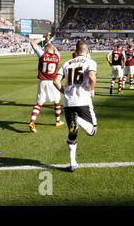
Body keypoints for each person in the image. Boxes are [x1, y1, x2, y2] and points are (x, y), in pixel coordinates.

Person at [54, 41, 98, 172]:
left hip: (69, 103)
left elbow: (55, 81)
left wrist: (64, 91)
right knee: (92, 131)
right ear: (87, 51)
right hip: (83, 101)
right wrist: (91, 90)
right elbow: (91, 77)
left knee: (72, 134)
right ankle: (78, 119)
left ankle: (72, 163)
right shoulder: (90, 62)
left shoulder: (66, 63)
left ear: (76, 50)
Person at [29, 34, 63, 133]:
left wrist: (42, 39)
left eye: (44, 48)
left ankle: (32, 121)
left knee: (39, 103)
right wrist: (48, 41)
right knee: (57, 102)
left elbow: (33, 43)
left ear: (46, 49)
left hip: (42, 82)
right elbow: (55, 50)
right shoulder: (57, 56)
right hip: (52, 82)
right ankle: (57, 121)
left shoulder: (42, 55)